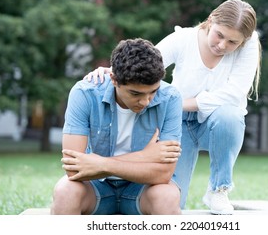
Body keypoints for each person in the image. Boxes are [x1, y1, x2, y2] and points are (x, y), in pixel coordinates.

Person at [86, 0, 262, 214]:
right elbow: (147, 64)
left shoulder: (249, 43)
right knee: (171, 203)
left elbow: (234, 94)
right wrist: (112, 71)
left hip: (215, 122)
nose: (222, 45)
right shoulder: (184, 39)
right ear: (210, 20)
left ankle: (218, 189)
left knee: (231, 115)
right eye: (220, 35)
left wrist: (180, 103)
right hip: (177, 123)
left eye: (232, 42)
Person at [51, 38, 183, 215]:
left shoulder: (171, 98)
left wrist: (101, 164)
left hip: (142, 188)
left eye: (153, 91)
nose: (145, 101)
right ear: (114, 79)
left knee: (167, 196)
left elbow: (163, 173)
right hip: (96, 187)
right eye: (135, 93)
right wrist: (144, 157)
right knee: (65, 192)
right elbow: (74, 169)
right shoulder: (85, 93)